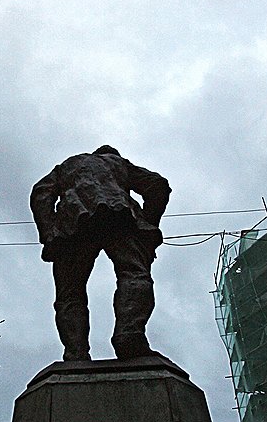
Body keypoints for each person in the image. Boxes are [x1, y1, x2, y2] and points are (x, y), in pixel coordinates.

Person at [30, 145, 171, 360]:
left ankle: (75, 352)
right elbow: (158, 185)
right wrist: (148, 223)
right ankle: (129, 335)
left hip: (72, 222)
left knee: (70, 294)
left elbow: (41, 193)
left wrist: (49, 232)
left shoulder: (67, 165)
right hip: (119, 217)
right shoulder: (118, 163)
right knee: (134, 274)